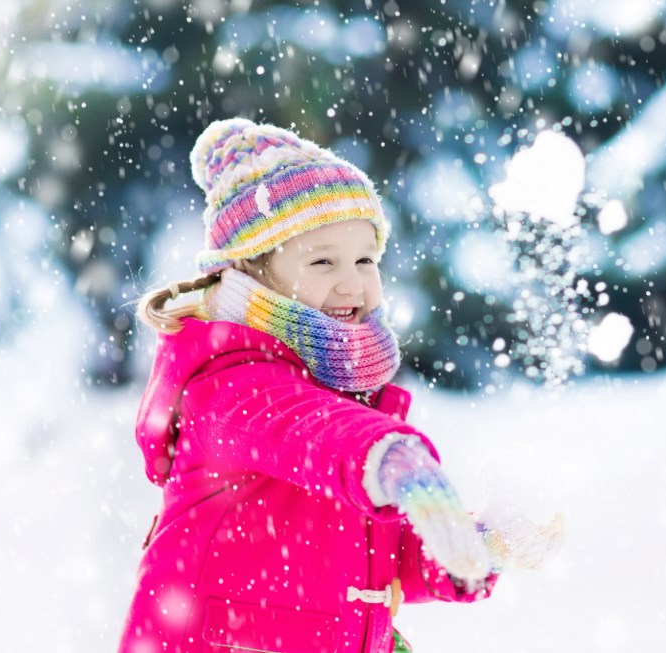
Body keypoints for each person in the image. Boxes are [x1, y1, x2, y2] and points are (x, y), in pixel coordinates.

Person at [119, 118, 558, 653]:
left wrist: (477, 544)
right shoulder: (230, 385)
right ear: (252, 270)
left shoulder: (340, 394)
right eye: (322, 261)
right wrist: (393, 458)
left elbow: (375, 556)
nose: (352, 282)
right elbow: (311, 432)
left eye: (365, 260)